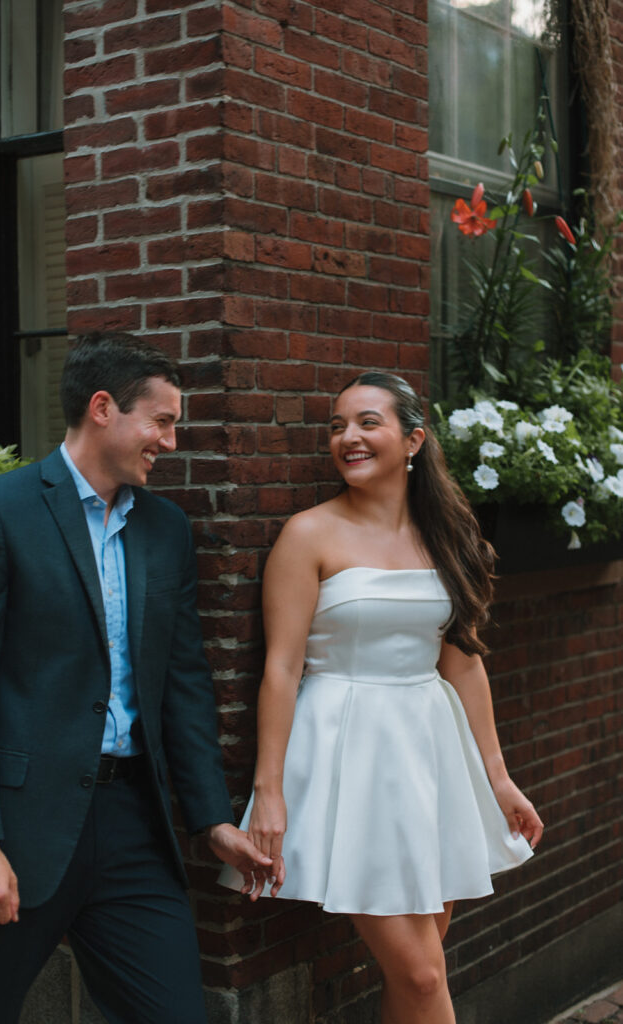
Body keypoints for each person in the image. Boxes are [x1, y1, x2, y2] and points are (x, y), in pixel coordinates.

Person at [0, 332, 270, 1024]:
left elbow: (181, 682)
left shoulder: (166, 530)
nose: (171, 442)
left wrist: (211, 816)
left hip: (131, 827)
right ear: (101, 408)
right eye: (162, 420)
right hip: (18, 825)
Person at [221, 371, 544, 1024]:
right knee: (424, 974)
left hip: (429, 757)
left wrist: (499, 779)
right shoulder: (307, 535)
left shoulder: (448, 537)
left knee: (418, 971)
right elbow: (280, 670)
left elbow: (465, 662)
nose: (349, 437)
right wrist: (271, 789)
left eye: (368, 422)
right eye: (338, 425)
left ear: (413, 439)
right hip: (346, 754)